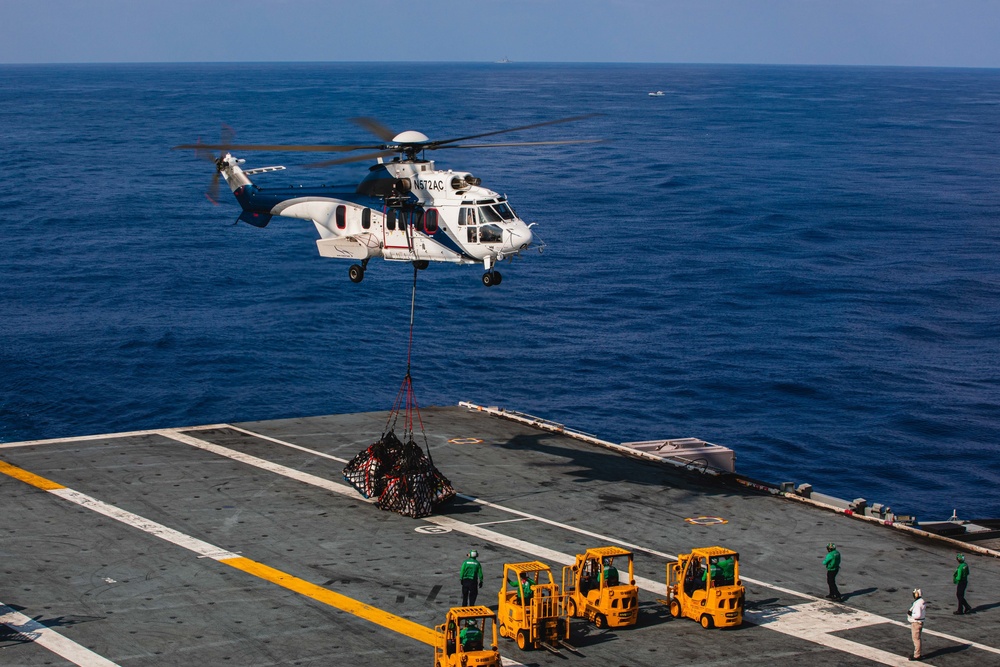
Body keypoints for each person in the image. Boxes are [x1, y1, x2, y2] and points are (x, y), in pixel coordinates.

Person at [907, 588, 925, 661]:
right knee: (918, 638)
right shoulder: (921, 601)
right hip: (920, 622)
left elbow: (918, 615)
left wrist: (911, 614)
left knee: (916, 639)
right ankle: (917, 653)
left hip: (916, 622)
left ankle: (917, 655)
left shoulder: (918, 604)